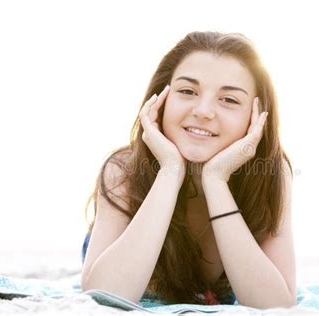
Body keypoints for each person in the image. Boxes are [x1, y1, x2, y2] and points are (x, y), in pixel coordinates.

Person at [80, 31, 296, 309]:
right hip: (115, 264)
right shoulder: (123, 170)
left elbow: (276, 306)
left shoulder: (272, 174)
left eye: (229, 100)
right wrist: (170, 170)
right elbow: (105, 296)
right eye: (187, 91)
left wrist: (216, 181)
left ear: (256, 118)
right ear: (160, 100)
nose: (203, 111)